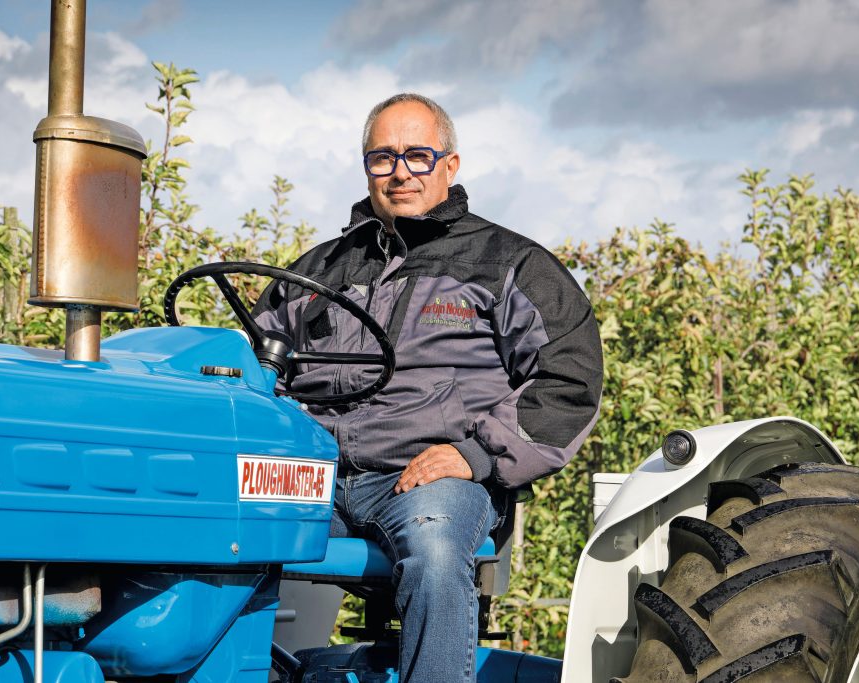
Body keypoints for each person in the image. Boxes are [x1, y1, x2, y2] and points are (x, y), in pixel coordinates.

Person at [254, 93, 602, 682]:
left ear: (450, 165)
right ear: (366, 166)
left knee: (435, 548)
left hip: (426, 477)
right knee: (213, 531)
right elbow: (258, 367)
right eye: (382, 157)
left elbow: (568, 380)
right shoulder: (315, 269)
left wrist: (473, 456)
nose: (400, 172)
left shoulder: (507, 262)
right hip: (315, 476)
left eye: (417, 155)